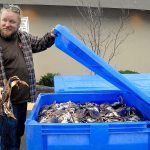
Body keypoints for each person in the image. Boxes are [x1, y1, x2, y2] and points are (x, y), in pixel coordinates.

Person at [0, 4, 55, 150]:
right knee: (8, 140)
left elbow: (40, 43)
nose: (7, 24)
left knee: (17, 133)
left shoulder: (23, 37)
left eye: (12, 22)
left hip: (22, 99)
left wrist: (50, 36)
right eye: (4, 20)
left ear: (18, 24)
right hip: (6, 104)